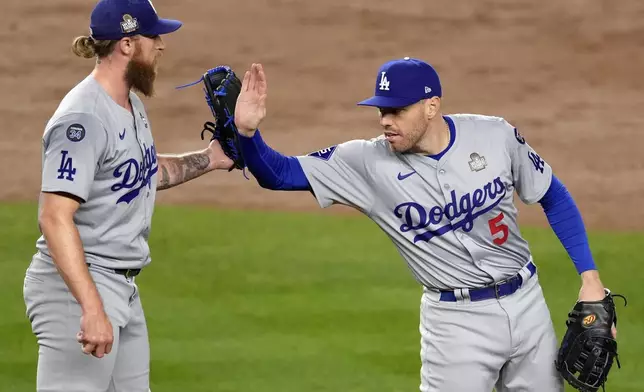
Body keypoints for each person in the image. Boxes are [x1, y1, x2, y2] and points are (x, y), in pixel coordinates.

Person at [230, 60, 615, 391]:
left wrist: (590, 278)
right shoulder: (365, 163)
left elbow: (553, 195)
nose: (385, 120)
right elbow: (277, 173)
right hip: (455, 324)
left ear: (431, 106)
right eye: (381, 110)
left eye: (397, 110)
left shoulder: (495, 135)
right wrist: (247, 132)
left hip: (527, 303)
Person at [23, 1, 233, 391]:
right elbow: (54, 216)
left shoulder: (129, 103)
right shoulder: (83, 119)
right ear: (126, 43)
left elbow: (138, 175)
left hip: (121, 289)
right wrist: (90, 308)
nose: (161, 46)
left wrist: (210, 159)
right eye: (154, 37)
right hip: (75, 290)